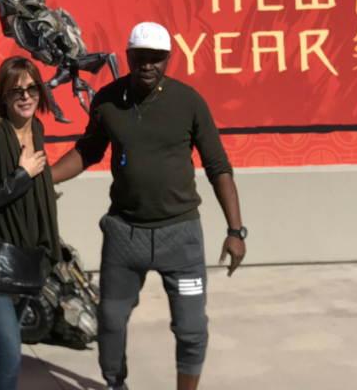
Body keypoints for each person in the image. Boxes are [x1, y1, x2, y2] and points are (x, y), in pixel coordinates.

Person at [51, 21, 247, 390]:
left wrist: (235, 231)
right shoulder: (107, 100)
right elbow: (87, 152)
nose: (148, 65)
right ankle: (115, 383)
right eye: (140, 57)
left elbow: (218, 166)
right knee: (110, 320)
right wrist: (44, 177)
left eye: (156, 59)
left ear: (168, 60)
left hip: (181, 238)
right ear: (128, 57)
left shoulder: (189, 102)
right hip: (125, 236)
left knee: (191, 328)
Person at [0, 56, 62, 390]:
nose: (25, 96)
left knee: (5, 345)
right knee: (11, 346)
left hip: (23, 259)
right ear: (2, 97)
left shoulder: (37, 129)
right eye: (15, 90)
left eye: (32, 87)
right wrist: (21, 175)